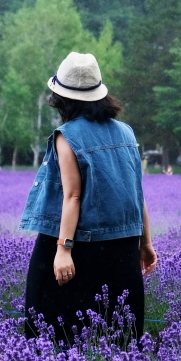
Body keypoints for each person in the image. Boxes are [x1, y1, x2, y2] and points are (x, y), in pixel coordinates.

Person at [20, 52, 157, 346]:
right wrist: (145, 244)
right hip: (123, 249)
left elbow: (72, 196)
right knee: (120, 339)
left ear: (62, 99)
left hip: (78, 245)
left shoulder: (67, 135)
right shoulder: (126, 132)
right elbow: (137, 192)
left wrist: (63, 250)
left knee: (51, 330)